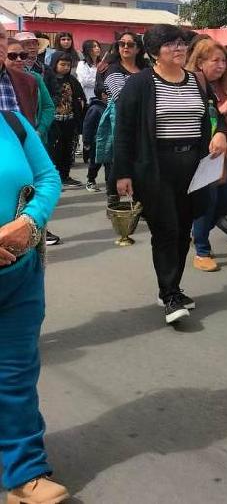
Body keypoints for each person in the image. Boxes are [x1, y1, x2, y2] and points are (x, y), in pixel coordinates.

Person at [114, 24, 227, 324]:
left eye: (181, 43)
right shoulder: (140, 83)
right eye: (170, 45)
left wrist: (221, 134)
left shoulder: (196, 80)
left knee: (183, 229)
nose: (179, 49)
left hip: (193, 166)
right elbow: (123, 130)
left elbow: (215, 115)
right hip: (156, 167)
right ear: (153, 53)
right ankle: (171, 294)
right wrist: (122, 173)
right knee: (166, 230)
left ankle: (170, 287)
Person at [0, 108, 67, 503]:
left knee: (16, 376)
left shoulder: (11, 122)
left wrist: (30, 222)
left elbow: (47, 178)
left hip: (19, 278)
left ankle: (25, 473)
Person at [187, 38, 227, 272]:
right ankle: (202, 249)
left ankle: (197, 232)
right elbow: (196, 118)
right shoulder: (192, 84)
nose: (221, 65)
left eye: (224, 60)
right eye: (216, 61)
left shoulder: (226, 84)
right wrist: (222, 111)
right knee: (207, 201)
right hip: (205, 154)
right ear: (200, 62)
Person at [5, 39, 60, 247]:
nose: (19, 60)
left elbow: (48, 107)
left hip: (28, 144)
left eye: (23, 55)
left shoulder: (32, 79)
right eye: (13, 56)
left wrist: (38, 131)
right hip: (6, 148)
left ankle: (33, 229)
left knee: (34, 188)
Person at [99, 31, 145, 206]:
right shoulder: (113, 69)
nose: (125, 47)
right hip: (121, 118)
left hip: (144, 120)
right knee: (120, 156)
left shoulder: (146, 69)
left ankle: (139, 199)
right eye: (122, 44)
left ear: (139, 48)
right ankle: (113, 197)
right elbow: (121, 97)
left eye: (130, 44)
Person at [43, 52, 86, 189]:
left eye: (68, 65)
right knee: (55, 150)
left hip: (69, 119)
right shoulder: (49, 80)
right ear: (55, 64)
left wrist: (80, 102)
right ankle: (54, 179)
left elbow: (80, 95)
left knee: (68, 150)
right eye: (62, 64)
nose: (66, 67)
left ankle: (65, 176)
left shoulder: (72, 80)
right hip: (54, 121)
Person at [82, 84, 109, 192]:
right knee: (95, 162)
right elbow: (88, 126)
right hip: (97, 141)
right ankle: (91, 180)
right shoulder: (95, 109)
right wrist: (87, 141)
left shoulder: (110, 106)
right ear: (103, 95)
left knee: (110, 164)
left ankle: (110, 184)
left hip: (109, 141)